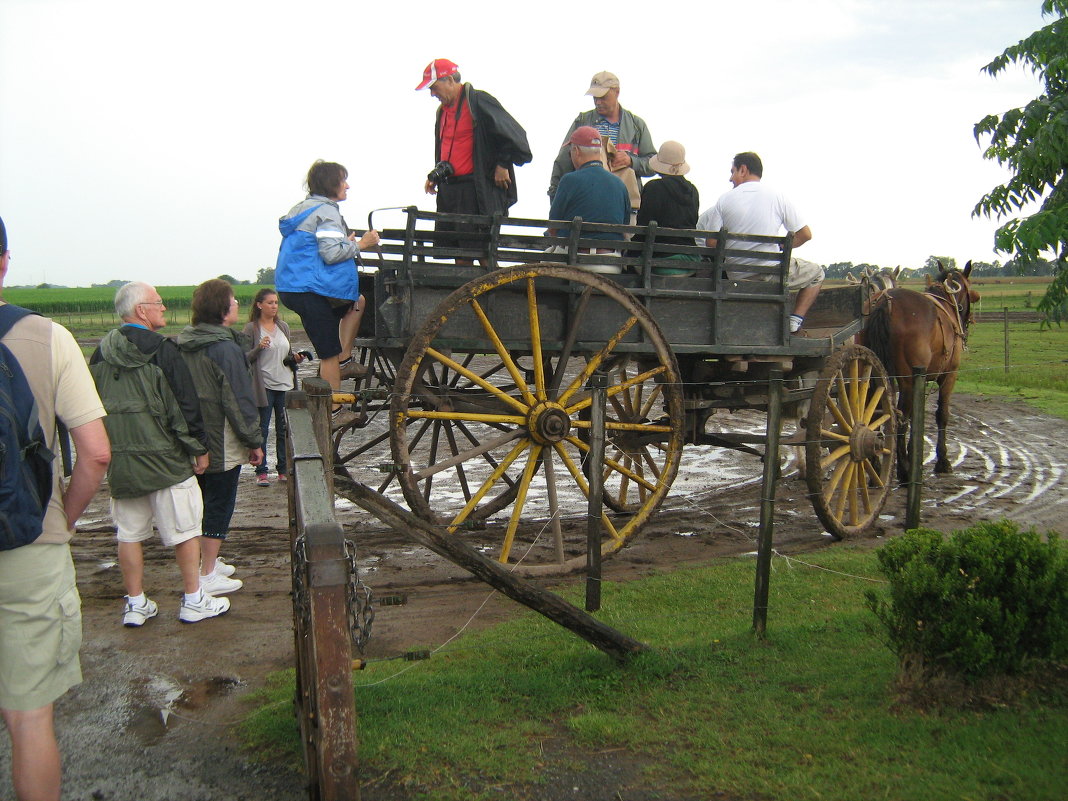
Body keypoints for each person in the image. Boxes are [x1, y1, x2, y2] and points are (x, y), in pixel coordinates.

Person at [0, 215, 111, 801]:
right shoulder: (45, 337)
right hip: (28, 542)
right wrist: (61, 521)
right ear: (5, 260)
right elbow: (94, 454)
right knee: (29, 719)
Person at [89, 282, 230, 626]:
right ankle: (193, 599)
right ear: (141, 310)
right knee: (185, 530)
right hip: (167, 460)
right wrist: (199, 447)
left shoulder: (99, 354)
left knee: (129, 534)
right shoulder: (164, 351)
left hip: (123, 462)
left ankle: (135, 603)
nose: (164, 308)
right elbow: (183, 404)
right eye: (158, 303)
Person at [276, 160, 378, 429]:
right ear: (331, 184)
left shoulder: (303, 209)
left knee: (357, 302)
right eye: (343, 180)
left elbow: (324, 248)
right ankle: (334, 411)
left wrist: (348, 242)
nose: (347, 185)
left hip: (298, 285)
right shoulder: (327, 212)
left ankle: (345, 359)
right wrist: (360, 245)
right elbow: (331, 254)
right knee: (327, 353)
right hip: (307, 289)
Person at [177, 280, 262, 596]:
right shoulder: (225, 349)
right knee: (220, 502)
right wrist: (254, 441)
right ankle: (208, 573)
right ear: (223, 309)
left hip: (192, 437)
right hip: (221, 438)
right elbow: (238, 401)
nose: (238, 304)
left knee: (200, 500)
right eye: (234, 300)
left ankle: (204, 562)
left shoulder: (184, 342)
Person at [416, 58, 532, 264]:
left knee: (482, 254)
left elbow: (514, 135)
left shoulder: (478, 101)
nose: (432, 94)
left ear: (450, 80)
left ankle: (495, 295)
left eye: (434, 87)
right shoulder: (442, 111)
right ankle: (467, 296)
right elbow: (450, 148)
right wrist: (436, 174)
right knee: (459, 255)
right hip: (451, 191)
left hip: (474, 191)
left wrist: (503, 164)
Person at [697, 152, 824, 333]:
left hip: (737, 275)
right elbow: (805, 234)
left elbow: (710, 242)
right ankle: (794, 321)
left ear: (743, 170)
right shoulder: (777, 196)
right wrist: (781, 247)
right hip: (770, 273)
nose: (730, 178)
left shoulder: (724, 199)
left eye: (732, 172)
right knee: (817, 273)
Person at [548, 71, 656, 210]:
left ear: (617, 92)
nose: (598, 102)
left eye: (603, 97)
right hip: (586, 201)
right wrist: (555, 198)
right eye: (594, 98)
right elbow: (563, 161)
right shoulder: (582, 122)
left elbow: (653, 163)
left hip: (624, 206)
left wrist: (631, 161)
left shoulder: (637, 126)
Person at [242, 288, 304, 487]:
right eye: (270, 303)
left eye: (276, 303)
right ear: (259, 305)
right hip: (265, 386)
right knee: (262, 428)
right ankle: (261, 471)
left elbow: (287, 355)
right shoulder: (251, 329)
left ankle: (283, 470)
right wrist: (259, 347)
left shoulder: (283, 326)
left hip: (285, 384)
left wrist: (296, 358)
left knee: (283, 429)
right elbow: (244, 358)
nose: (274, 306)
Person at [634, 140, 701, 274]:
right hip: (690, 261)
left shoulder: (653, 188)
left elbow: (643, 228)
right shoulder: (693, 191)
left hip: (658, 260)